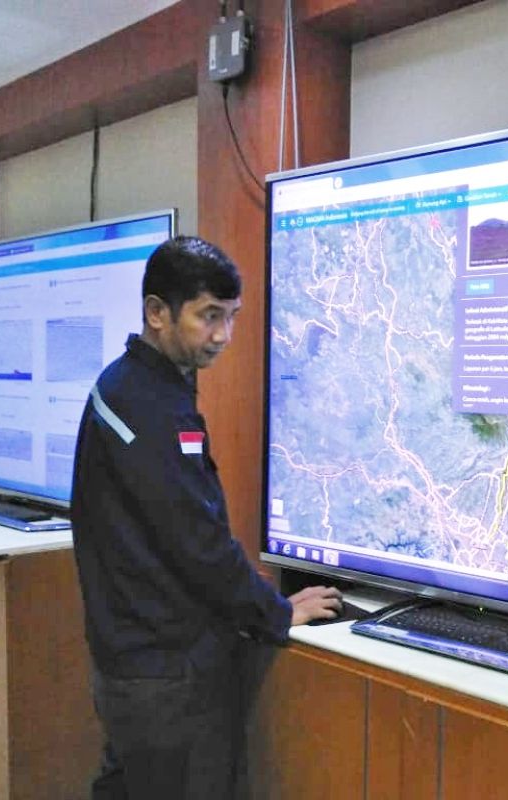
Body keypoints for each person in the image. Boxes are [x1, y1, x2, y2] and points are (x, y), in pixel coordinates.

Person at [71, 235, 342, 799]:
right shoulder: (152, 407)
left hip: (129, 658)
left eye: (232, 317)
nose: (223, 335)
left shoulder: (122, 385)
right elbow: (197, 541)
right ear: (156, 313)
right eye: (208, 316)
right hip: (166, 672)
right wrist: (274, 612)